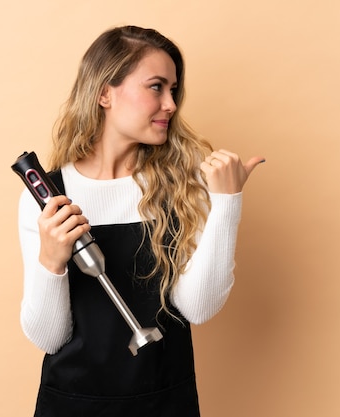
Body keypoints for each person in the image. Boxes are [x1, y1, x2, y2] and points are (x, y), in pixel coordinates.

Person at [17, 25, 265, 417]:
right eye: (156, 87)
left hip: (165, 402)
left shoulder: (184, 188)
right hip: (72, 406)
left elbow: (197, 308)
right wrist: (51, 259)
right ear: (104, 93)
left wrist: (227, 201)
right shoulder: (48, 196)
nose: (170, 104)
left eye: (173, 91)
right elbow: (50, 337)